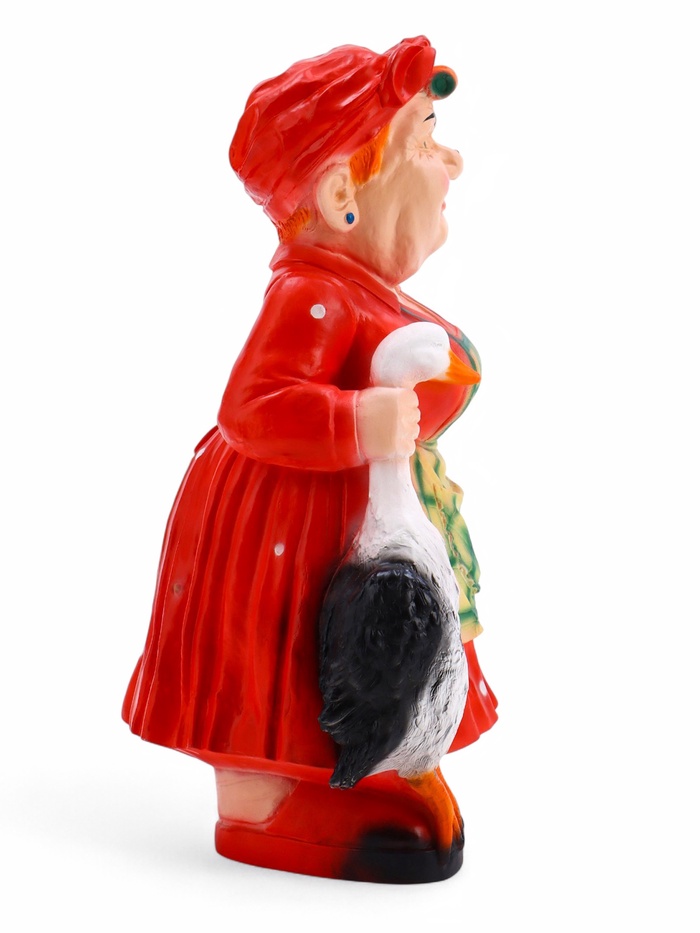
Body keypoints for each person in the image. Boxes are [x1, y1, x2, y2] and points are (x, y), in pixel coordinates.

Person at [123, 36, 497, 884]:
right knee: (275, 656)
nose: (453, 161)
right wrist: (359, 420)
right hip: (284, 524)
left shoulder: (358, 287)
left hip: (354, 516)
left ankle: (371, 750)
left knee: (357, 646)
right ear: (341, 195)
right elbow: (252, 404)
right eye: (426, 139)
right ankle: (262, 799)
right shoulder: (313, 294)